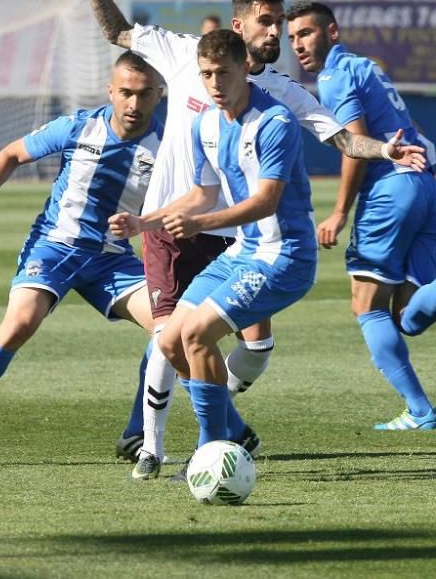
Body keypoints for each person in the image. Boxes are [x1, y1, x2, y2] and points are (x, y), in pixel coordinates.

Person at [70, 0, 427, 479]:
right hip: (174, 220)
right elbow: (118, 30)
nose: (277, 32)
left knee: (249, 348)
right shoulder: (188, 56)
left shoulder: (281, 97)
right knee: (173, 335)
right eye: (267, 21)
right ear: (238, 27)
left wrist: (384, 148)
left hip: (239, 235)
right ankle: (151, 442)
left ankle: (221, 428)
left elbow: (338, 139)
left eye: (280, 22)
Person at [0, 52, 165, 464]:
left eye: (143, 95)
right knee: (19, 323)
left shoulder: (169, 144)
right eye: (125, 93)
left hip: (110, 258)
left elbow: (186, 205)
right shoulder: (79, 125)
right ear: (111, 90)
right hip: (55, 247)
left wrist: (145, 223)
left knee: (169, 330)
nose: (133, 104)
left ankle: (136, 431)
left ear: (159, 95)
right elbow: (10, 155)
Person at [286, 1, 436, 431]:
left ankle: (419, 411)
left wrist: (340, 211)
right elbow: (406, 121)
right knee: (406, 317)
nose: (298, 44)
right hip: (426, 189)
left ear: (332, 32)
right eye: (292, 37)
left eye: (306, 33)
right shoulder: (368, 67)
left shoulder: (335, 76)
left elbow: (355, 144)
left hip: (389, 192)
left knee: (367, 307)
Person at [109, 29, 316, 462]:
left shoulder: (274, 122)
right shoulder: (206, 124)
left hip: (284, 256)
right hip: (244, 253)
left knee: (199, 335)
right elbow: (201, 193)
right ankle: (228, 435)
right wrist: (143, 221)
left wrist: (197, 223)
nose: (215, 84)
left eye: (223, 72)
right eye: (206, 74)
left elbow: (265, 202)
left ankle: (213, 450)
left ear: (244, 67)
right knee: (170, 342)